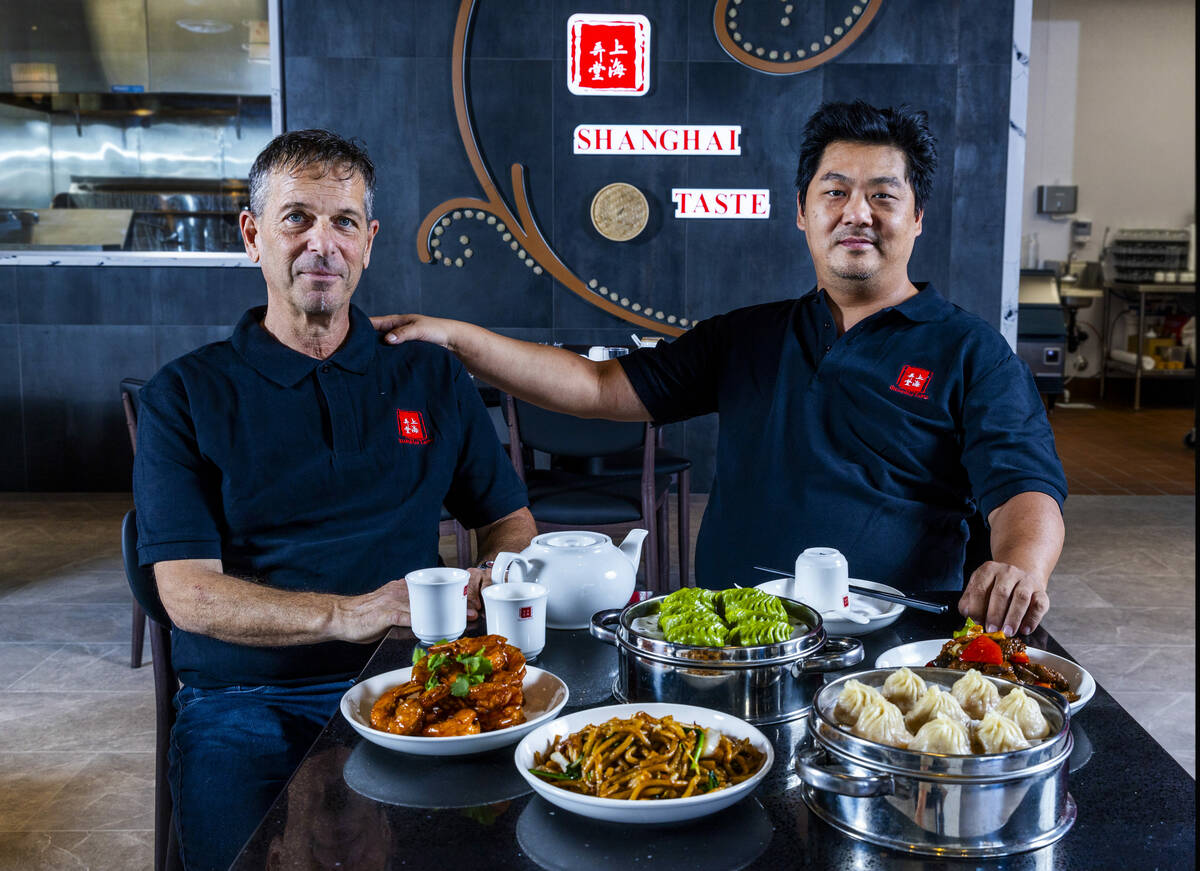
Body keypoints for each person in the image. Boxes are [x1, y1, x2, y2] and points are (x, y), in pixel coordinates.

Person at [372, 101, 1067, 639]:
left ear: (917, 217)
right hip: (732, 640)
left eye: (884, 195)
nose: (857, 212)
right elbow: (597, 387)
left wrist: (1020, 567)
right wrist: (456, 337)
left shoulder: (970, 351)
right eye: (834, 192)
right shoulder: (748, 336)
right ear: (802, 214)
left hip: (892, 645)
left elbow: (1024, 489)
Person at [133, 129, 535, 871]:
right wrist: (348, 613)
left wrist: (497, 574)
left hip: (415, 678)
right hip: (245, 699)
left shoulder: (429, 377)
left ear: (368, 242)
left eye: (344, 221)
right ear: (252, 235)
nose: (323, 244)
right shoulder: (184, 394)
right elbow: (188, 594)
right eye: (297, 218)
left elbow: (507, 519)